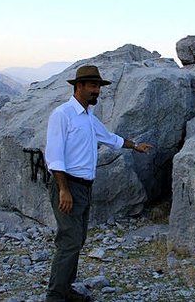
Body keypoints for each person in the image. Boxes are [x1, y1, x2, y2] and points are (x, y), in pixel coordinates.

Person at [44, 65, 153, 302]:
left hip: (83, 188)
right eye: (93, 86)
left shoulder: (88, 117)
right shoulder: (62, 115)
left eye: (98, 87)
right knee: (70, 241)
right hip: (68, 186)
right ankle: (55, 296)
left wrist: (135, 146)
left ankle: (65, 289)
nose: (97, 91)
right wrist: (63, 189)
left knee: (77, 240)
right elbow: (54, 157)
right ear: (79, 86)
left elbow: (110, 138)